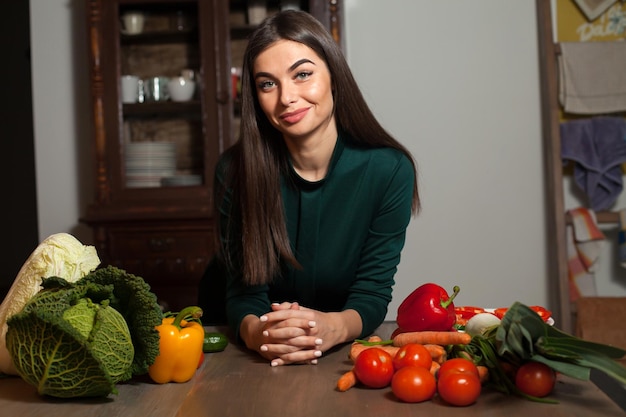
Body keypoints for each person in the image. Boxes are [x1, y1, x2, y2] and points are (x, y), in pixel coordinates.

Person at [208, 10, 419, 367]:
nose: (286, 97)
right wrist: (261, 333)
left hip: (336, 350)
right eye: (267, 84)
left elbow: (371, 294)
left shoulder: (389, 170)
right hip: (243, 351)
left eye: (302, 74)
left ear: (334, 77)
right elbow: (244, 296)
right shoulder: (234, 171)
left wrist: (333, 327)